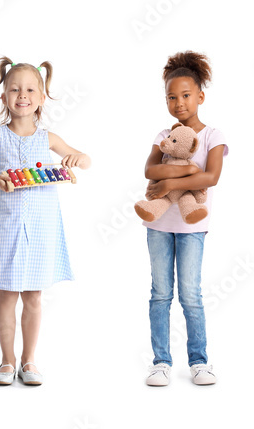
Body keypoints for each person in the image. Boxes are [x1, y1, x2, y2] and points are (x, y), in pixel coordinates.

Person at [0, 57, 90, 386]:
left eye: (30, 89)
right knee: (6, 295)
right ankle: (6, 362)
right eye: (15, 89)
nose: (23, 95)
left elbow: (85, 158)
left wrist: (76, 157)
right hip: (3, 226)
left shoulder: (48, 138)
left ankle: (29, 361)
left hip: (41, 227)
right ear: (3, 95)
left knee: (34, 296)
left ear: (42, 95)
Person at [140, 51, 225, 387]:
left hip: (192, 227)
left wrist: (174, 181)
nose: (179, 103)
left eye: (186, 95)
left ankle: (199, 361)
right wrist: (182, 172)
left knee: (191, 294)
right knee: (160, 293)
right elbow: (149, 169)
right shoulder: (164, 134)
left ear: (200, 96)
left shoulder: (213, 135)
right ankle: (161, 361)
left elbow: (211, 177)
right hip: (158, 226)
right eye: (171, 97)